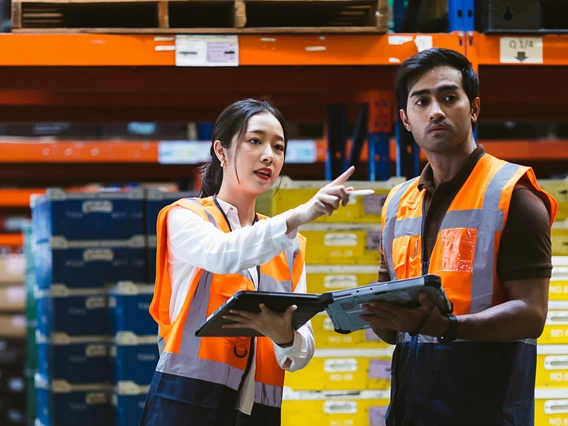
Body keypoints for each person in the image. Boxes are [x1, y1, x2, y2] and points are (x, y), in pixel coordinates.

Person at [360, 48, 558, 426]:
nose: (436, 110)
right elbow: (391, 321)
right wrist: (373, 313)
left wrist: (447, 327)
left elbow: (532, 315)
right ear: (405, 118)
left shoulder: (514, 196)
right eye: (422, 101)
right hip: (410, 408)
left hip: (487, 407)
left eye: (449, 97)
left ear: (474, 108)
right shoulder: (397, 203)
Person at [140, 99, 355, 426]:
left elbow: (302, 352)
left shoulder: (290, 245)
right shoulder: (185, 218)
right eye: (255, 141)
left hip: (257, 414)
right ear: (222, 152)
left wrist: (285, 338)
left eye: (279, 147)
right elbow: (223, 254)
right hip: (186, 404)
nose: (269, 155)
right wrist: (300, 214)